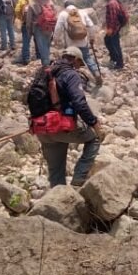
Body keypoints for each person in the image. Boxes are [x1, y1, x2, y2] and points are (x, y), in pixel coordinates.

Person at [34, 46, 105, 187]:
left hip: (42, 127)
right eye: (79, 64)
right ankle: (77, 181)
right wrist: (95, 123)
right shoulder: (71, 74)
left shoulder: (44, 72)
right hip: (61, 126)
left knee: (55, 172)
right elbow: (80, 103)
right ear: (76, 60)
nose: (79, 68)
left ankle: (58, 196)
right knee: (95, 138)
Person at [52, 0, 101, 82]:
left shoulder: (63, 14)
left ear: (65, 6)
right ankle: (96, 72)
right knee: (87, 57)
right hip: (83, 41)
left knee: (70, 61)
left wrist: (55, 40)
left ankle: (74, 79)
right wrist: (92, 38)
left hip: (70, 44)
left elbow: (58, 29)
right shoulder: (82, 12)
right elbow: (91, 25)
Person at [24, 0, 57, 66]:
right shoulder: (50, 2)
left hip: (38, 27)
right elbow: (55, 14)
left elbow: (29, 19)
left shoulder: (32, 3)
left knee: (42, 48)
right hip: (49, 27)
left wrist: (29, 30)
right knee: (47, 46)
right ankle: (47, 63)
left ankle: (46, 67)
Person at [101, 0, 128, 70]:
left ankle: (119, 64)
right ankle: (114, 60)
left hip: (114, 27)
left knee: (115, 44)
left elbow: (113, 17)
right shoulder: (114, 1)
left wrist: (111, 29)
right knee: (108, 41)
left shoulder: (111, 4)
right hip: (116, 26)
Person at [13, 0, 35, 65]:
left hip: (26, 23)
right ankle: (39, 57)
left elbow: (17, 10)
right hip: (36, 24)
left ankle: (26, 58)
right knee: (37, 41)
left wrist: (21, 18)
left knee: (26, 41)